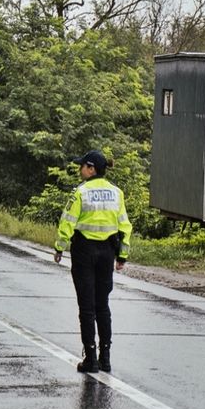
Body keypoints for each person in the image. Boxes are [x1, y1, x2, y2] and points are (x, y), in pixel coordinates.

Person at [54, 150, 132, 374]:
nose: (80, 170)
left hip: (84, 252)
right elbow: (125, 226)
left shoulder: (81, 192)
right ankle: (105, 357)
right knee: (102, 306)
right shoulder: (117, 193)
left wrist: (60, 247)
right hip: (107, 253)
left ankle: (90, 358)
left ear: (91, 168)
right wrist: (122, 256)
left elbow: (67, 222)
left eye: (82, 166)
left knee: (86, 307)